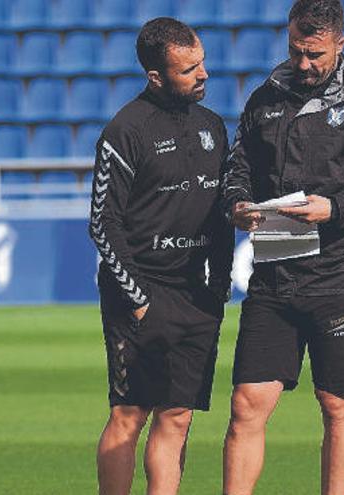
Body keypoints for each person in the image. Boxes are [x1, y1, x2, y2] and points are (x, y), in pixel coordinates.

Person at [220, 0, 344, 493]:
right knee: (246, 403)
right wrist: (238, 205)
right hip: (275, 273)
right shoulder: (264, 98)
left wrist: (335, 208)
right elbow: (237, 171)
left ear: (340, 45)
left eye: (315, 54)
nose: (304, 64)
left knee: (337, 403)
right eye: (296, 51)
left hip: (340, 277)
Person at [88, 18, 233, 495]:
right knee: (129, 415)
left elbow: (220, 216)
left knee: (178, 415)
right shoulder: (124, 131)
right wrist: (139, 298)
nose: (203, 74)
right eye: (189, 68)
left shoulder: (213, 127)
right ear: (156, 75)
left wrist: (219, 286)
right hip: (141, 293)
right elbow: (102, 225)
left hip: (195, 294)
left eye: (203, 62)